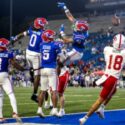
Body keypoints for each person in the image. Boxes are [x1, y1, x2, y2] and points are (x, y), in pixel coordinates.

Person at [79, 33, 125, 125]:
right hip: (112, 79)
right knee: (100, 100)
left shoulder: (107, 49)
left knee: (114, 91)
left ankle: (102, 109)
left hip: (105, 77)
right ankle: (85, 118)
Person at [11, 17, 48, 103]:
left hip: (28, 53)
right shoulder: (43, 34)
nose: (45, 26)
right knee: (37, 75)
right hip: (36, 55)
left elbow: (21, 34)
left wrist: (15, 38)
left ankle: (32, 72)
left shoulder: (31, 30)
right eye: (44, 24)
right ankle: (34, 94)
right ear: (40, 26)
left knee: (33, 70)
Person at [37, 29, 66, 117]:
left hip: (43, 69)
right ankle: (54, 109)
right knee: (54, 91)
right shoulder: (55, 45)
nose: (53, 37)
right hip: (51, 69)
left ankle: (39, 109)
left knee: (42, 91)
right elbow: (63, 57)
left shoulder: (41, 45)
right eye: (52, 35)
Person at [0, 38, 25, 123]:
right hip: (3, 75)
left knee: (0, 96)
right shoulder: (8, 53)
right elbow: (14, 64)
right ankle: (15, 113)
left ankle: (0, 116)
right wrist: (22, 69)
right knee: (10, 94)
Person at [57, 49, 70, 117]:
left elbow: (61, 64)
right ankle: (58, 109)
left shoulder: (62, 52)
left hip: (63, 74)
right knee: (56, 92)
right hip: (58, 74)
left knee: (60, 93)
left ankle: (61, 110)